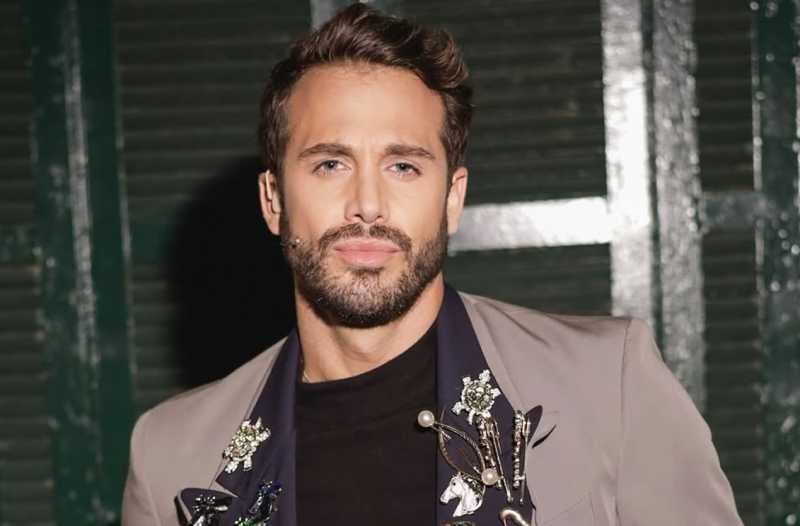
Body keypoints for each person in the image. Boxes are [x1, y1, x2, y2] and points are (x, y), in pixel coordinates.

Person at [121, 4, 743, 526]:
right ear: (274, 200)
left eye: (403, 166)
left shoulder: (610, 384)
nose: (367, 204)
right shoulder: (169, 456)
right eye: (330, 164)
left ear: (452, 198)